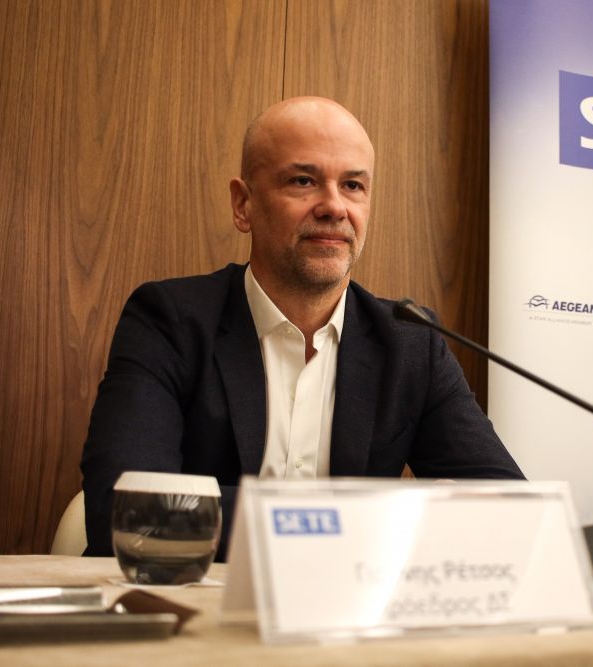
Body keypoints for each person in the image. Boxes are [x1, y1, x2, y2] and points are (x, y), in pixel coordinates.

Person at [80, 97, 524, 559]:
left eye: (352, 185)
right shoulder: (168, 320)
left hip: (348, 602)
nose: (333, 206)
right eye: (303, 181)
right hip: (192, 597)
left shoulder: (411, 343)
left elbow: (508, 511)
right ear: (244, 204)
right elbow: (126, 510)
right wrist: (364, 519)